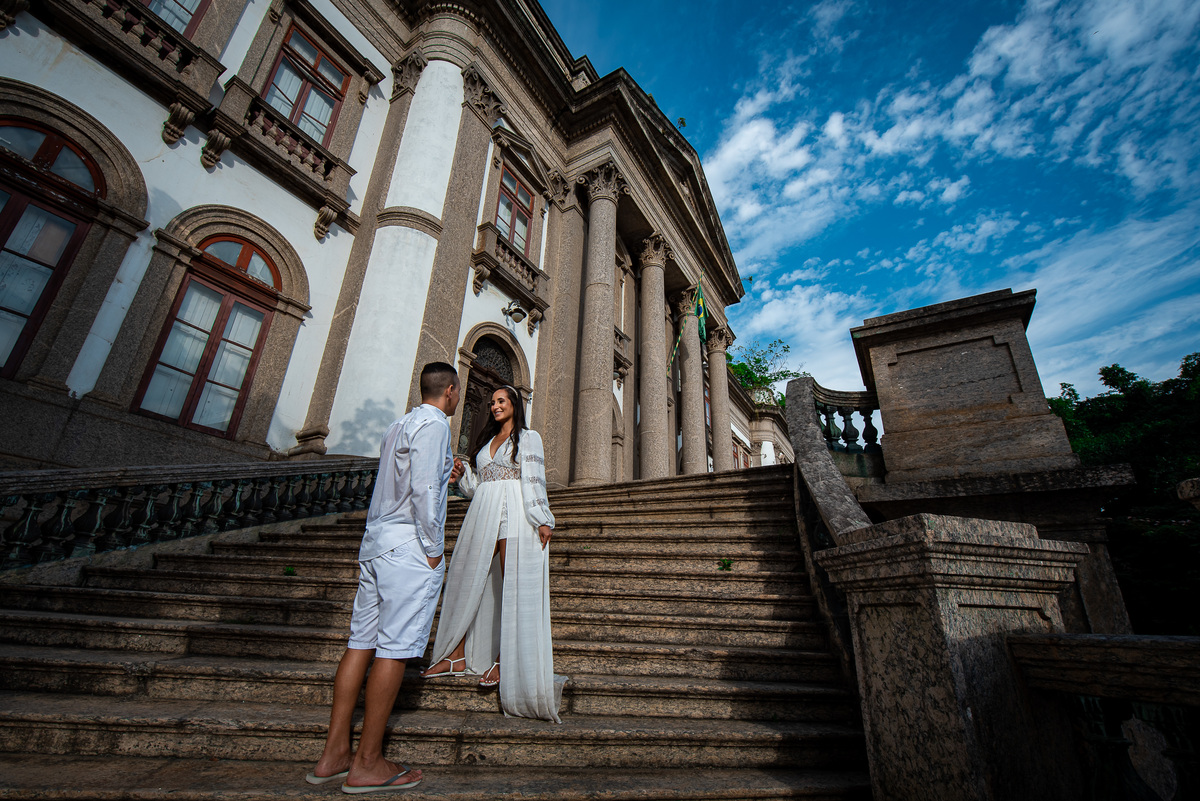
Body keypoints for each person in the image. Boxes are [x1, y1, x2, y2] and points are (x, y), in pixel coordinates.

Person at [307, 362, 462, 793]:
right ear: (450, 391)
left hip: (376, 541)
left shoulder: (399, 425)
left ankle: (334, 753)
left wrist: (444, 471)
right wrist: (433, 550)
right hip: (408, 547)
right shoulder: (435, 425)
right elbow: (423, 493)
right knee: (393, 650)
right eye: (457, 392)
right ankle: (368, 762)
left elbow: (401, 480)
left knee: (360, 643)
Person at [421, 385, 565, 723]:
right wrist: (463, 476)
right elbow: (477, 488)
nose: (494, 405)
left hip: (513, 512)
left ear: (514, 404)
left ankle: (505, 659)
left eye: (501, 401)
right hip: (482, 513)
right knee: (467, 580)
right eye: (492, 402)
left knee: (509, 586)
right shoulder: (486, 443)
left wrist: (543, 519)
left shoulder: (529, 438)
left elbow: (534, 479)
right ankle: (455, 654)